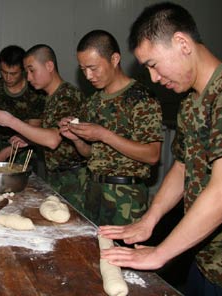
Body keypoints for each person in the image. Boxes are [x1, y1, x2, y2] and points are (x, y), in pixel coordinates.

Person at [98, 3, 222, 295]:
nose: (154, 78)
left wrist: (160, 253)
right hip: (203, 259)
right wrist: (149, 220)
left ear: (182, 43)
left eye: (152, 64)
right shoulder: (190, 103)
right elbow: (182, 166)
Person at [59, 30, 163, 227]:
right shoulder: (93, 102)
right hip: (93, 191)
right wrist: (76, 138)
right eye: (83, 69)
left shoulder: (141, 98)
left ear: (114, 59)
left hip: (126, 198)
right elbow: (91, 154)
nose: (88, 75)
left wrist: (103, 134)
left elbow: (152, 154)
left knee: (121, 255)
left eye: (93, 68)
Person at [0, 44, 87, 213]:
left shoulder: (67, 96)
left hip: (74, 179)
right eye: (26, 72)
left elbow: (53, 140)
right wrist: (30, 139)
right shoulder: (51, 97)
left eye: (32, 70)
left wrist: (11, 121)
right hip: (57, 175)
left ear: (49, 66)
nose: (28, 77)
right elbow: (53, 134)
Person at [0, 45, 45, 165]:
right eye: (4, 72)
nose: (8, 78)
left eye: (13, 74)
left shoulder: (34, 91)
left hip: (26, 149)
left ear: (23, 70)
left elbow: (34, 129)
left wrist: (7, 152)